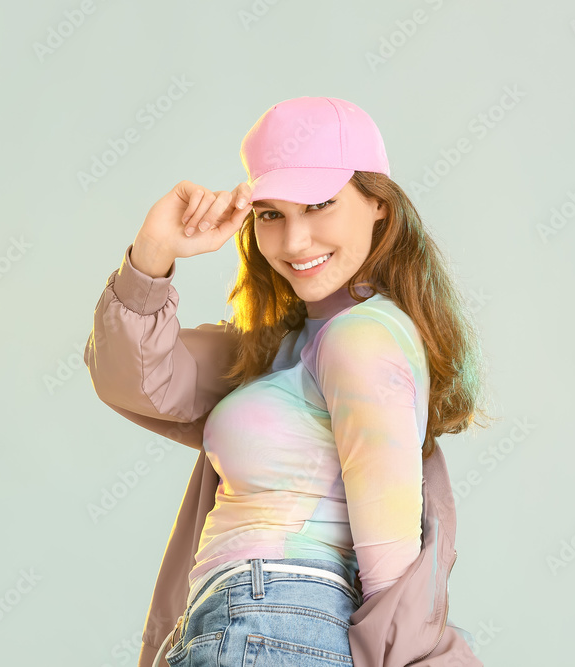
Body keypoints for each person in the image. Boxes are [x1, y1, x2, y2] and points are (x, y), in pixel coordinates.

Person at [85, 96, 491, 666]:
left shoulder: (362, 337)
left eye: (319, 204)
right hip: (247, 626)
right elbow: (132, 377)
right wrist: (153, 253)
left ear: (378, 202)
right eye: (272, 213)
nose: (294, 241)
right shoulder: (278, 349)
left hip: (274, 622)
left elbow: (390, 567)